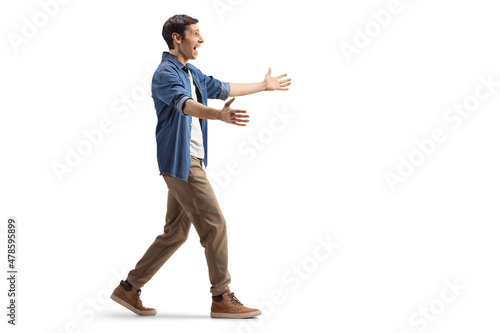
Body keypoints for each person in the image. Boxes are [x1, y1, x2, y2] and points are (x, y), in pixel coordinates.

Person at [110, 14, 291, 319]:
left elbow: (223, 86)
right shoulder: (165, 74)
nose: (201, 39)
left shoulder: (191, 72)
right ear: (177, 38)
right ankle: (221, 295)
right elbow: (185, 105)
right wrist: (218, 116)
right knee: (215, 224)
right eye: (195, 34)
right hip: (182, 164)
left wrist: (263, 85)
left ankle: (129, 288)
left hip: (188, 162)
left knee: (175, 234)